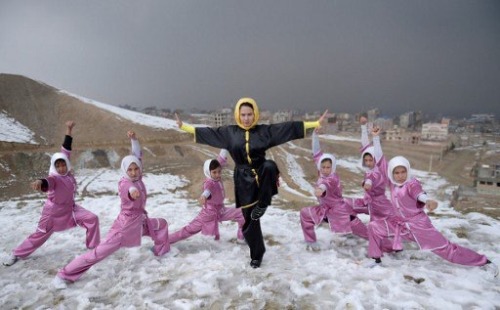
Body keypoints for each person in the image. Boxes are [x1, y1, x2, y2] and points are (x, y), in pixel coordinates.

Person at [175, 97, 326, 268]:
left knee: (269, 166)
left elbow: (286, 129)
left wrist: (314, 124)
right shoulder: (229, 133)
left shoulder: (263, 131)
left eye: (249, 114)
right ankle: (257, 254)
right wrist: (184, 127)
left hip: (261, 173)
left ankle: (263, 202)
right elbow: (209, 133)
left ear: (254, 114)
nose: (246, 118)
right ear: (238, 115)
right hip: (242, 179)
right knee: (249, 221)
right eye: (243, 115)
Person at [53, 130, 171, 288]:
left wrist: (134, 140)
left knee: (161, 224)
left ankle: (161, 252)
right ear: (124, 171)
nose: (134, 172)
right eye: (130, 170)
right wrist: (133, 193)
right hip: (125, 228)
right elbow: (128, 189)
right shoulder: (125, 183)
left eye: (136, 169)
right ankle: (63, 275)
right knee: (98, 254)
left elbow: (136, 155)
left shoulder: (138, 177)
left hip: (140, 223)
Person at [366, 155, 498, 277]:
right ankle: (376, 260)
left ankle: (484, 261)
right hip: (399, 225)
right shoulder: (392, 184)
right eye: (396, 172)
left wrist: (427, 200)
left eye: (403, 172)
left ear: (407, 171)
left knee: (448, 251)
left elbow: (419, 194)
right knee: (374, 227)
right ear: (391, 174)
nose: (400, 176)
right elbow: (381, 162)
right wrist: (376, 138)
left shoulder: (412, 184)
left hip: (419, 226)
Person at [3, 121, 100, 267]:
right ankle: (16, 253)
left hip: (71, 209)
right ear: (54, 167)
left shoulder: (67, 172)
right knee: (39, 236)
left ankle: (93, 248)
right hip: (53, 213)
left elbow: (66, 148)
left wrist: (68, 129)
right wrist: (39, 182)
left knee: (92, 219)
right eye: (58, 166)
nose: (61, 168)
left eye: (63, 165)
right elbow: (47, 182)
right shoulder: (54, 178)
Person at [300, 129, 368, 251]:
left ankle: (385, 242)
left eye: (328, 167)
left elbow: (324, 185)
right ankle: (311, 242)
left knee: (364, 232)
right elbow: (316, 153)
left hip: (339, 212)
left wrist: (320, 190)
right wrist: (315, 135)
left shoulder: (331, 178)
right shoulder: (321, 172)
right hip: (326, 209)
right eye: (323, 167)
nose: (325, 169)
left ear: (333, 168)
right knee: (305, 213)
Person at [169, 149, 245, 244]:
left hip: (221, 211)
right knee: (189, 230)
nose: (217, 174)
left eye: (219, 171)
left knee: (242, 213)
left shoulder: (216, 172)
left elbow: (220, 160)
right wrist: (204, 196)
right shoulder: (209, 182)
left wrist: (227, 145)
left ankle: (241, 238)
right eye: (214, 172)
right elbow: (207, 191)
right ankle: (165, 241)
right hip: (208, 214)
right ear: (208, 172)